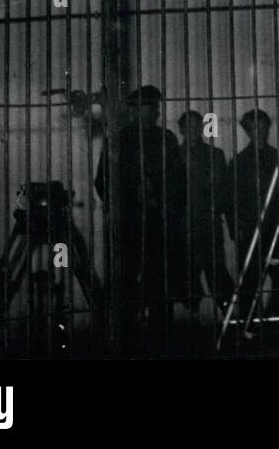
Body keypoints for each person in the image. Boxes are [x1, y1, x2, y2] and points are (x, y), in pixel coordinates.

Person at [95, 84, 184, 354]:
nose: (154, 112)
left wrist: (161, 196)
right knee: (128, 279)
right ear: (135, 110)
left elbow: (178, 178)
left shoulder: (166, 138)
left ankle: (159, 335)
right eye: (149, 106)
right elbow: (103, 181)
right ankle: (129, 336)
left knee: (158, 278)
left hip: (158, 221)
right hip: (130, 223)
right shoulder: (119, 140)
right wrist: (126, 201)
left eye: (155, 107)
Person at [226, 109, 279, 333]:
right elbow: (230, 200)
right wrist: (235, 229)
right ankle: (248, 327)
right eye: (254, 128)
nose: (260, 132)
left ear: (268, 128)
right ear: (247, 131)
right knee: (249, 281)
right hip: (249, 232)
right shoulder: (238, 162)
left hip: (276, 231)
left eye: (263, 126)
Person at [177, 110, 234, 321]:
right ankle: (193, 316)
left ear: (202, 128)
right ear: (181, 129)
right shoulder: (173, 154)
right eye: (188, 126)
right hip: (183, 227)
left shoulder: (215, 155)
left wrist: (214, 209)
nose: (192, 130)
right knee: (187, 273)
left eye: (196, 125)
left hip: (208, 224)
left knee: (216, 270)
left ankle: (227, 314)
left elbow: (225, 191)